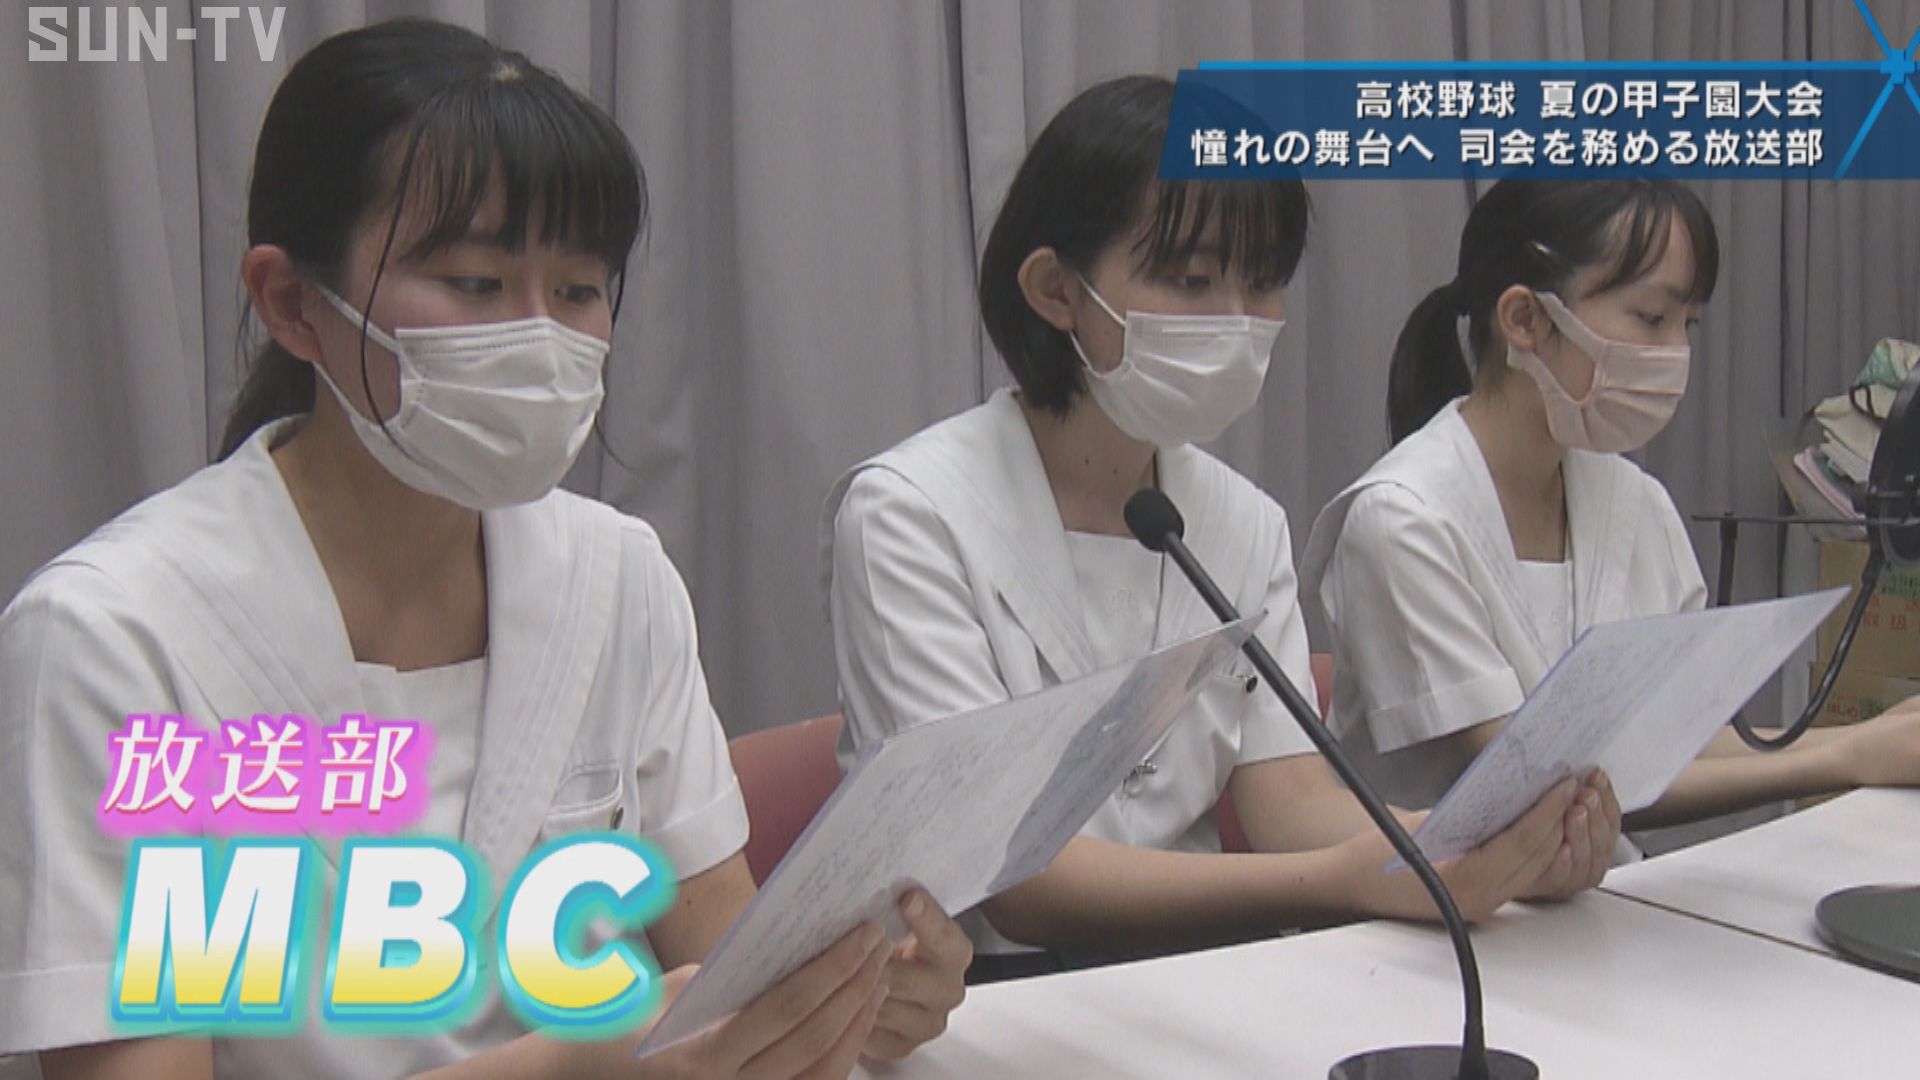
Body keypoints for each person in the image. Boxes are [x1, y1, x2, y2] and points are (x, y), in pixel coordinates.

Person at [0, 19, 966, 1079]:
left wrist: (856, 997)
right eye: (472, 283)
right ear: (292, 304)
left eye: (578, 291)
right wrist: (579, 1068)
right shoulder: (115, 637)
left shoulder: (616, 578)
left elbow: (730, 974)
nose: (538, 337)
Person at [823, 76, 1617, 983]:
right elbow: (1011, 879)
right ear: (1055, 289)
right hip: (988, 997)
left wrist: (1494, 846)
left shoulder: (1241, 519)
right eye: (1192, 280)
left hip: (1204, 975)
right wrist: (1348, 881)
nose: (1236, 319)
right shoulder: (910, 512)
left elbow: (1290, 804)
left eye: (1262, 284)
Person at [1302, 178, 1920, 844]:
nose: (1677, 354)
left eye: (1687, 325)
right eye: (1652, 319)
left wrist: (1876, 736)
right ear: (1525, 320)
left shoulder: (1633, 502)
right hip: (1448, 904)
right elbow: (1534, 787)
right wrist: (1844, 757)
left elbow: (1673, 737)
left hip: (1595, 892)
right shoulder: (1401, 520)